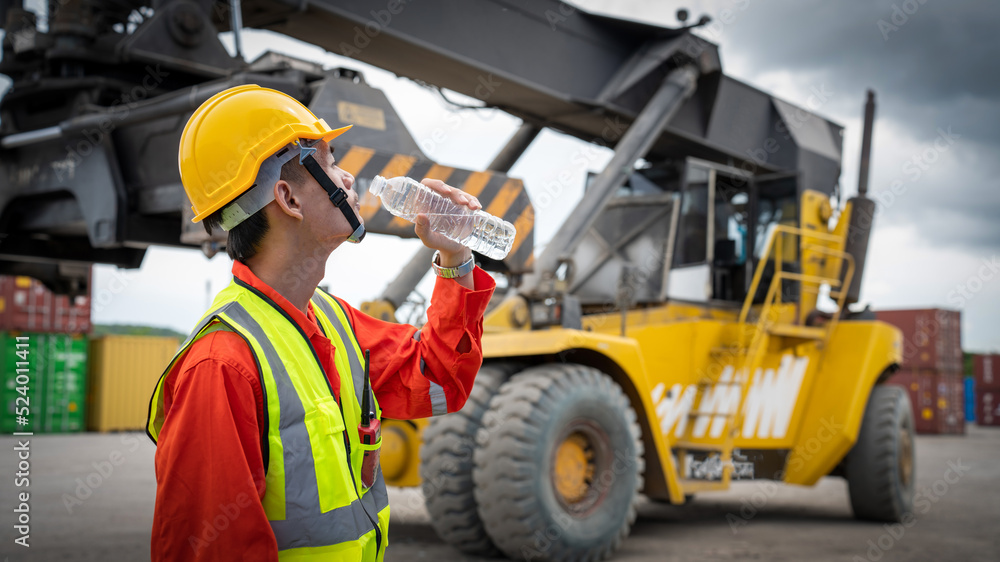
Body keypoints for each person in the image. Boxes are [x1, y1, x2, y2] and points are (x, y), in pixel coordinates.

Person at [145, 84, 495, 561]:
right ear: (288, 198)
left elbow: (438, 379)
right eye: (330, 163)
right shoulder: (221, 365)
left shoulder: (329, 320)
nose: (348, 176)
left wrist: (453, 254)